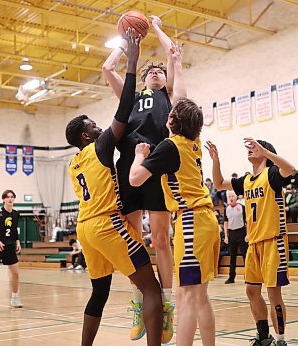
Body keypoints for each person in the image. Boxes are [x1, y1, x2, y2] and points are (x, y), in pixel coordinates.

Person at [65, 30, 163, 346]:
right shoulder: (101, 146)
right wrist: (132, 60)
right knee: (151, 287)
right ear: (86, 136)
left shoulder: (74, 163)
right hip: (107, 225)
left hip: (85, 229)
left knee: (100, 290)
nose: (99, 126)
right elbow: (125, 107)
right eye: (93, 125)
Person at [102, 17, 185, 339]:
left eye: (159, 71)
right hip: (127, 167)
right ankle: (141, 299)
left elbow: (173, 54)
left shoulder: (169, 96)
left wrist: (157, 26)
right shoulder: (133, 98)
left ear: (165, 78)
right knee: (133, 239)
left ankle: (165, 305)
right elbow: (107, 70)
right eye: (151, 71)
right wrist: (124, 43)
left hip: (157, 165)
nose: (155, 73)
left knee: (161, 239)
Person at [129, 97, 220, 346]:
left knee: (186, 296)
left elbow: (135, 179)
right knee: (200, 296)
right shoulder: (194, 143)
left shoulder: (170, 147)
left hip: (191, 221)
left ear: (171, 120)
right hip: (207, 220)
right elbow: (183, 104)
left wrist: (139, 155)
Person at [206, 138, 296, 346]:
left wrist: (265, 150)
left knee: (274, 293)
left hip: (274, 241)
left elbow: (290, 169)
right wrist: (216, 160)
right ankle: (264, 337)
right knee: (251, 291)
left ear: (265, 152)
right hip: (254, 243)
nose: (250, 150)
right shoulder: (246, 181)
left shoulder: (272, 175)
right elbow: (219, 184)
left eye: (255, 148)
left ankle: (281, 340)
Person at [223, 190, 248, 284]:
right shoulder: (226, 209)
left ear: (236, 197)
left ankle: (249, 276)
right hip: (232, 234)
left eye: (232, 196)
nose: (231, 198)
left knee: (245, 256)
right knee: (232, 257)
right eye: (229, 197)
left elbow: (247, 221)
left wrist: (248, 234)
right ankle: (231, 277)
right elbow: (225, 222)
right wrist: (226, 236)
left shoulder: (242, 207)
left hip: (241, 232)